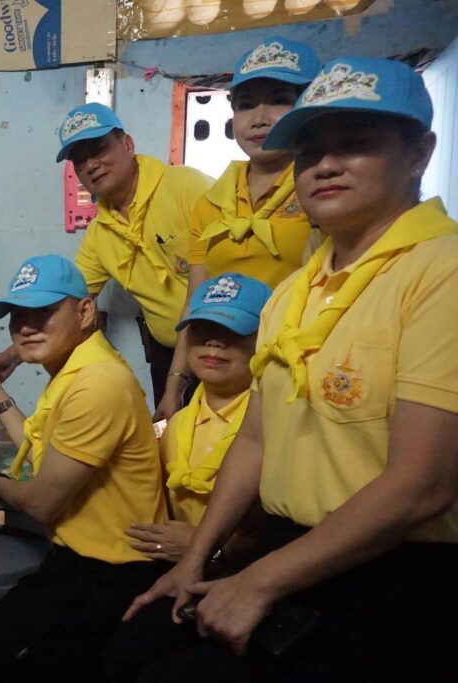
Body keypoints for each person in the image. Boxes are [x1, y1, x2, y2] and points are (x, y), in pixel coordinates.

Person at [119, 57, 458, 683]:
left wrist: (256, 584)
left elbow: (423, 485)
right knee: (132, 644)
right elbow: (255, 438)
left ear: (419, 154)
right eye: (310, 151)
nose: (325, 165)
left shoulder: (441, 271)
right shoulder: (293, 293)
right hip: (285, 546)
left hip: (392, 568)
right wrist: (197, 559)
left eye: (356, 143)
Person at [0, 254, 169, 683]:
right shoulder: (73, 371)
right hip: (76, 560)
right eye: (18, 316)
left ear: (84, 312)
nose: (27, 327)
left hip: (113, 572)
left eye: (43, 312)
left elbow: (43, 502)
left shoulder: (97, 383)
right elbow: (41, 448)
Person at [0, 104, 213, 410]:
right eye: (79, 160)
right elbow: (67, 303)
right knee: (169, 435)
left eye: (98, 149)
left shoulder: (187, 187)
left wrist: (175, 385)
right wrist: (13, 356)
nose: (91, 165)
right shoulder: (100, 234)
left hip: (224, 346)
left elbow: (215, 284)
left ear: (128, 145)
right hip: (168, 354)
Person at [155, 37, 321, 420]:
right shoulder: (211, 203)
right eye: (245, 104)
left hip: (295, 378)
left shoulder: (323, 192)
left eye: (279, 100)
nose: (259, 118)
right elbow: (195, 301)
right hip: (221, 378)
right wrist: (174, 386)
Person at [126, 273, 271, 564]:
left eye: (232, 329)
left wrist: (207, 548)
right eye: (201, 328)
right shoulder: (173, 424)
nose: (213, 342)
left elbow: (277, 529)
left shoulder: (273, 425)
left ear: (265, 338)